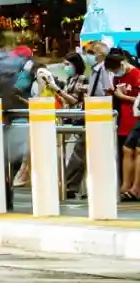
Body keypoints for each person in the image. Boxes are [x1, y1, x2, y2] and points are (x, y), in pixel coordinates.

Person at [108, 54, 140, 201]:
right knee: (127, 149)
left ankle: (136, 188)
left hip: (136, 117)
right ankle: (126, 185)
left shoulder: (136, 74)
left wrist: (122, 96)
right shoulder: (119, 77)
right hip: (126, 119)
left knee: (138, 150)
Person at [58, 53, 88, 198]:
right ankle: (68, 183)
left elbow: (74, 100)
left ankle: (71, 185)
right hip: (68, 118)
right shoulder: (69, 79)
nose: (66, 67)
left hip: (78, 118)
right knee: (70, 153)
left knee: (77, 155)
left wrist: (58, 91)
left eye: (68, 64)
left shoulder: (81, 79)